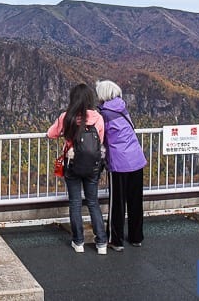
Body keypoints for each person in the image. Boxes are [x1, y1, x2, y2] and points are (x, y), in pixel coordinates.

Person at [47, 83, 107, 255]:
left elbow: (51, 133)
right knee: (93, 202)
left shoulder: (67, 117)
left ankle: (78, 242)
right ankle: (101, 243)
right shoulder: (98, 118)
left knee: (75, 203)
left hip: (72, 164)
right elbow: (100, 140)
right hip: (93, 166)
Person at [96, 80, 147, 251]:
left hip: (119, 163)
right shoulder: (122, 108)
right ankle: (136, 237)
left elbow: (101, 137)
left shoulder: (104, 114)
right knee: (135, 200)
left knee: (117, 202)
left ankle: (116, 240)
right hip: (137, 159)